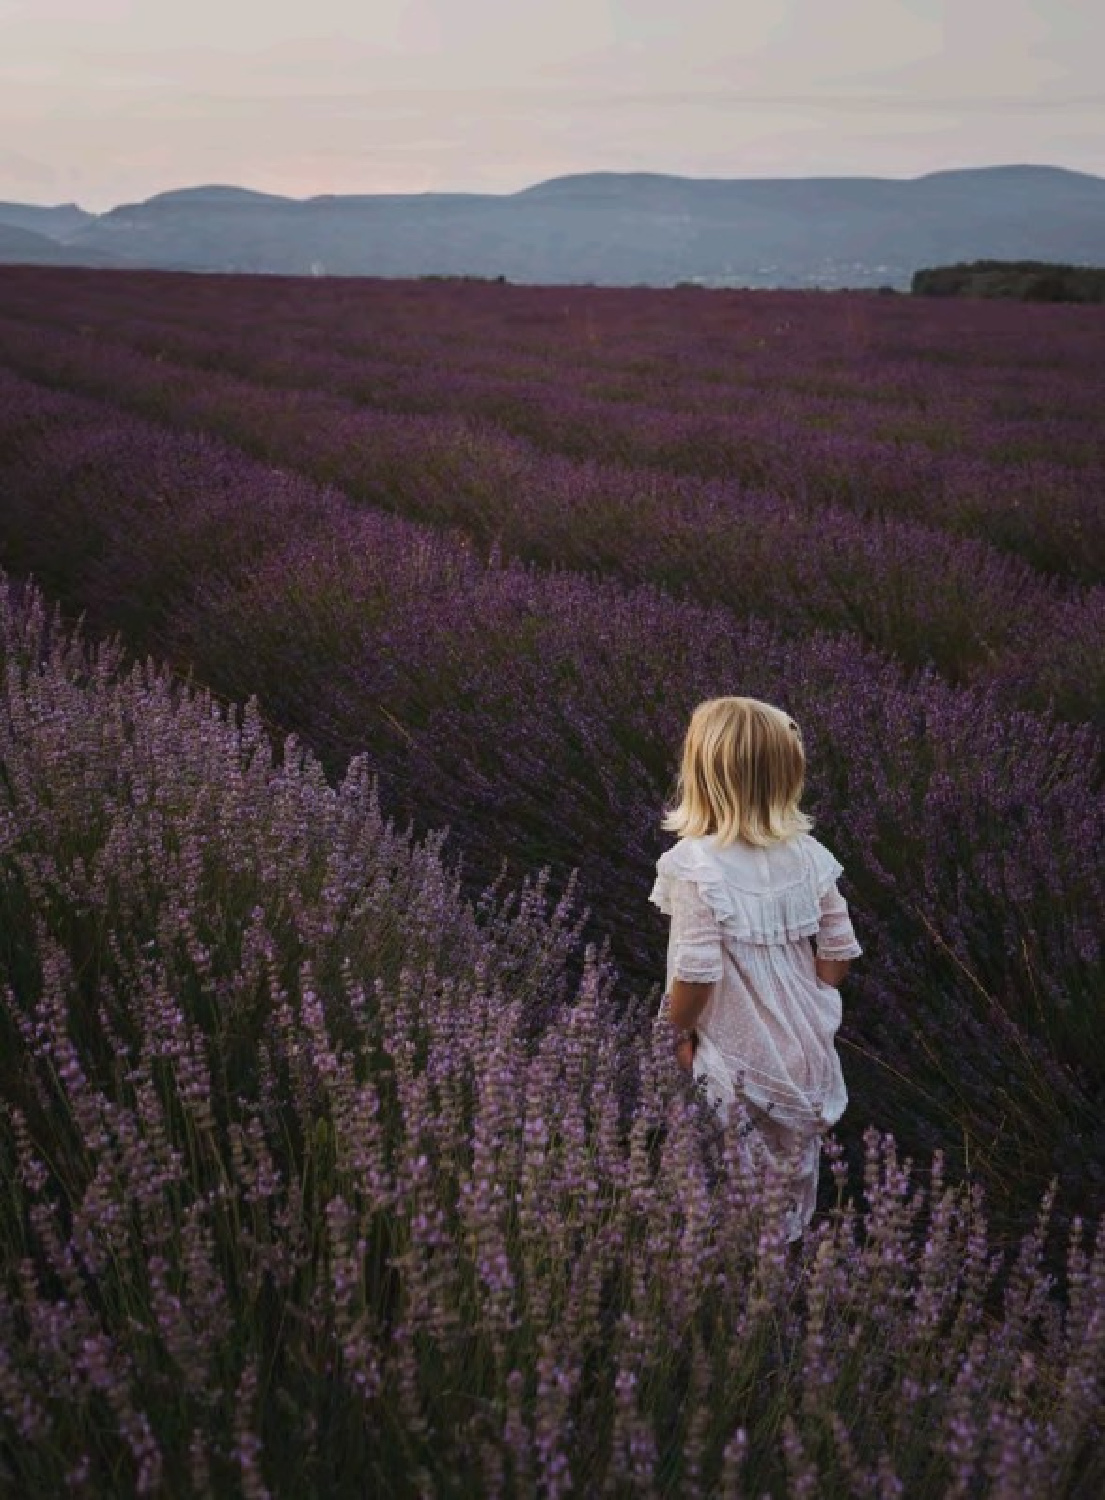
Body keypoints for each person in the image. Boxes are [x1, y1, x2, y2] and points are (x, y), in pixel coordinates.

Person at [649, 695, 862, 1243]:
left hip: (735, 1051)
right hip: (804, 1047)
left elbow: (696, 971)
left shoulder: (697, 865)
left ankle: (733, 1275)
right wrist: (805, 998)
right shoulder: (810, 855)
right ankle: (787, 1260)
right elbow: (837, 947)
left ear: (702, 775)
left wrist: (674, 1033)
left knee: (728, 1180)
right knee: (790, 1177)